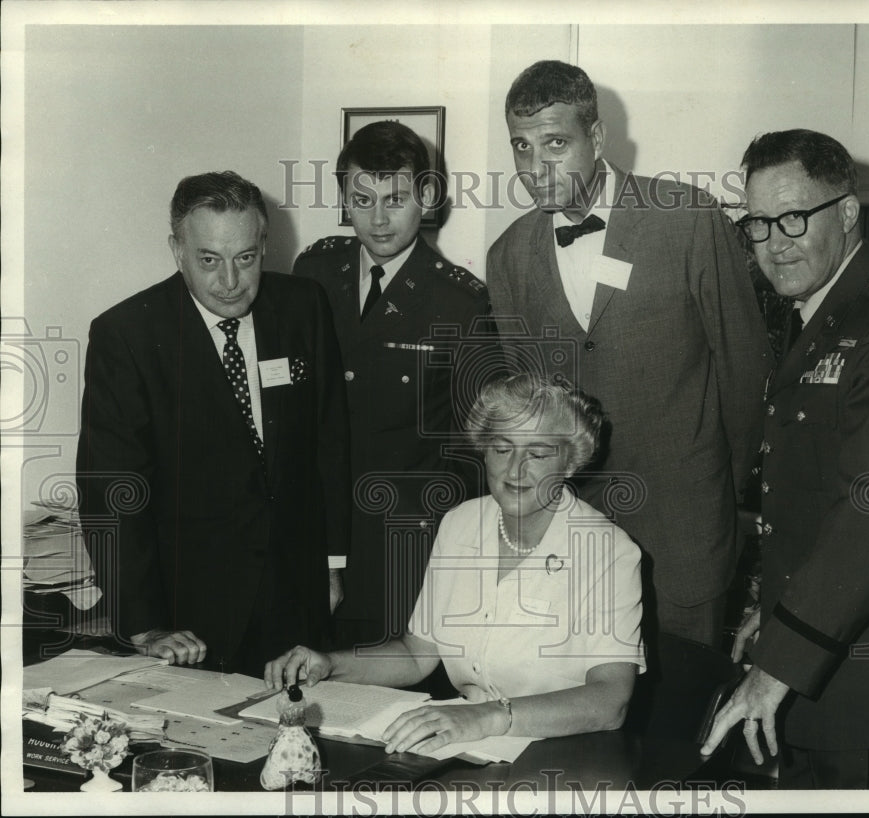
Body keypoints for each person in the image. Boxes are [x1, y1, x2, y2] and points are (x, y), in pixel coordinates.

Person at [700, 129, 869, 788]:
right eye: (759, 224)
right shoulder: (825, 316)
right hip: (823, 663)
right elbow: (811, 496)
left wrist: (779, 663)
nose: (775, 241)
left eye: (794, 216)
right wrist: (768, 612)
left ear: (848, 213)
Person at [486, 60, 773, 649]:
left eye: (555, 144)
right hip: (574, 539)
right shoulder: (508, 255)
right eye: (522, 147)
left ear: (596, 138)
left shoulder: (689, 218)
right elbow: (529, 411)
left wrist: (719, 490)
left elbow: (746, 375)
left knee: (682, 721)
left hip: (685, 533)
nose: (536, 168)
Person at [265, 373, 645, 753]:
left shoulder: (607, 551)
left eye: (539, 454)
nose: (515, 469)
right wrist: (330, 663)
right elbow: (418, 654)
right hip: (471, 745)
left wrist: (485, 717)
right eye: (501, 449)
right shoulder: (461, 523)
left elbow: (611, 700)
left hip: (566, 756)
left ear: (571, 463)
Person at [76, 171, 351, 676]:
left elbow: (329, 443)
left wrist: (333, 566)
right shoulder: (128, 335)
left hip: (298, 599)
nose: (230, 281)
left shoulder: (303, 307)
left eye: (245, 258)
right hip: (191, 619)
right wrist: (144, 625)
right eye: (209, 260)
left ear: (264, 245)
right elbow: (111, 489)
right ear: (177, 250)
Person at [293, 121, 494, 649]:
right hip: (313, 533)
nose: (378, 218)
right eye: (362, 199)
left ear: (425, 197)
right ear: (343, 197)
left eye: (396, 198)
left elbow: (474, 451)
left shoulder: (460, 302)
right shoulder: (312, 272)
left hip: (404, 546)